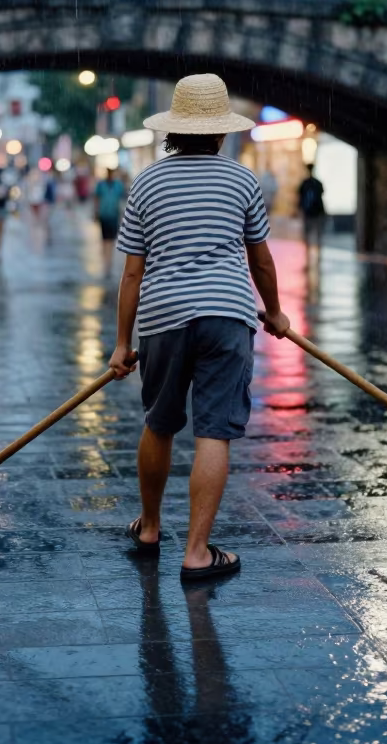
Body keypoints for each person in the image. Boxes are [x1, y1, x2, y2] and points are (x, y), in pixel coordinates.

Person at [107, 73, 290, 583]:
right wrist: (273, 311)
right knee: (215, 431)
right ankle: (197, 552)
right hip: (228, 316)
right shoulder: (242, 180)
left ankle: (149, 528)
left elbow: (132, 272)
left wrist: (123, 344)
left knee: (160, 422)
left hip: (163, 317)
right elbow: (262, 260)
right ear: (220, 131)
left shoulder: (146, 182)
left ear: (173, 129)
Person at [95, 167, 126, 275]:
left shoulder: (118, 185)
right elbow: (97, 198)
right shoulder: (101, 185)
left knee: (111, 239)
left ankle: (109, 260)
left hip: (114, 215)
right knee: (104, 238)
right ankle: (106, 259)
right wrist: (96, 211)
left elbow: (122, 200)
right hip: (104, 215)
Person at [298, 164, 326, 259]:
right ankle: (312, 253)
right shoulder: (313, 183)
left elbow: (300, 198)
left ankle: (311, 253)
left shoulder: (307, 183)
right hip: (313, 212)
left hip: (312, 212)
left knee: (311, 233)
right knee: (314, 233)